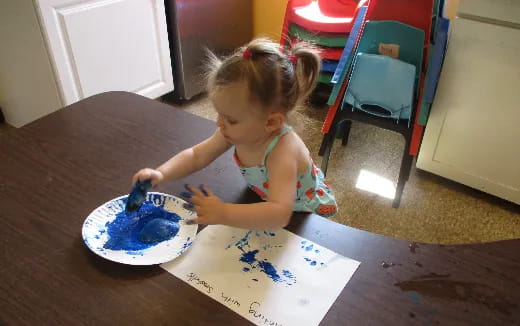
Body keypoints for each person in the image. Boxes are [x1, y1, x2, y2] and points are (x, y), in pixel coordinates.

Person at [133, 38, 337, 230]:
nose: (219, 123)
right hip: (263, 198)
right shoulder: (234, 130)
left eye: (230, 119)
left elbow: (279, 214)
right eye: (220, 114)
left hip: (301, 213)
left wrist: (224, 213)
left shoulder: (283, 151)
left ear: (271, 122)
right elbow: (197, 156)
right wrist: (161, 173)